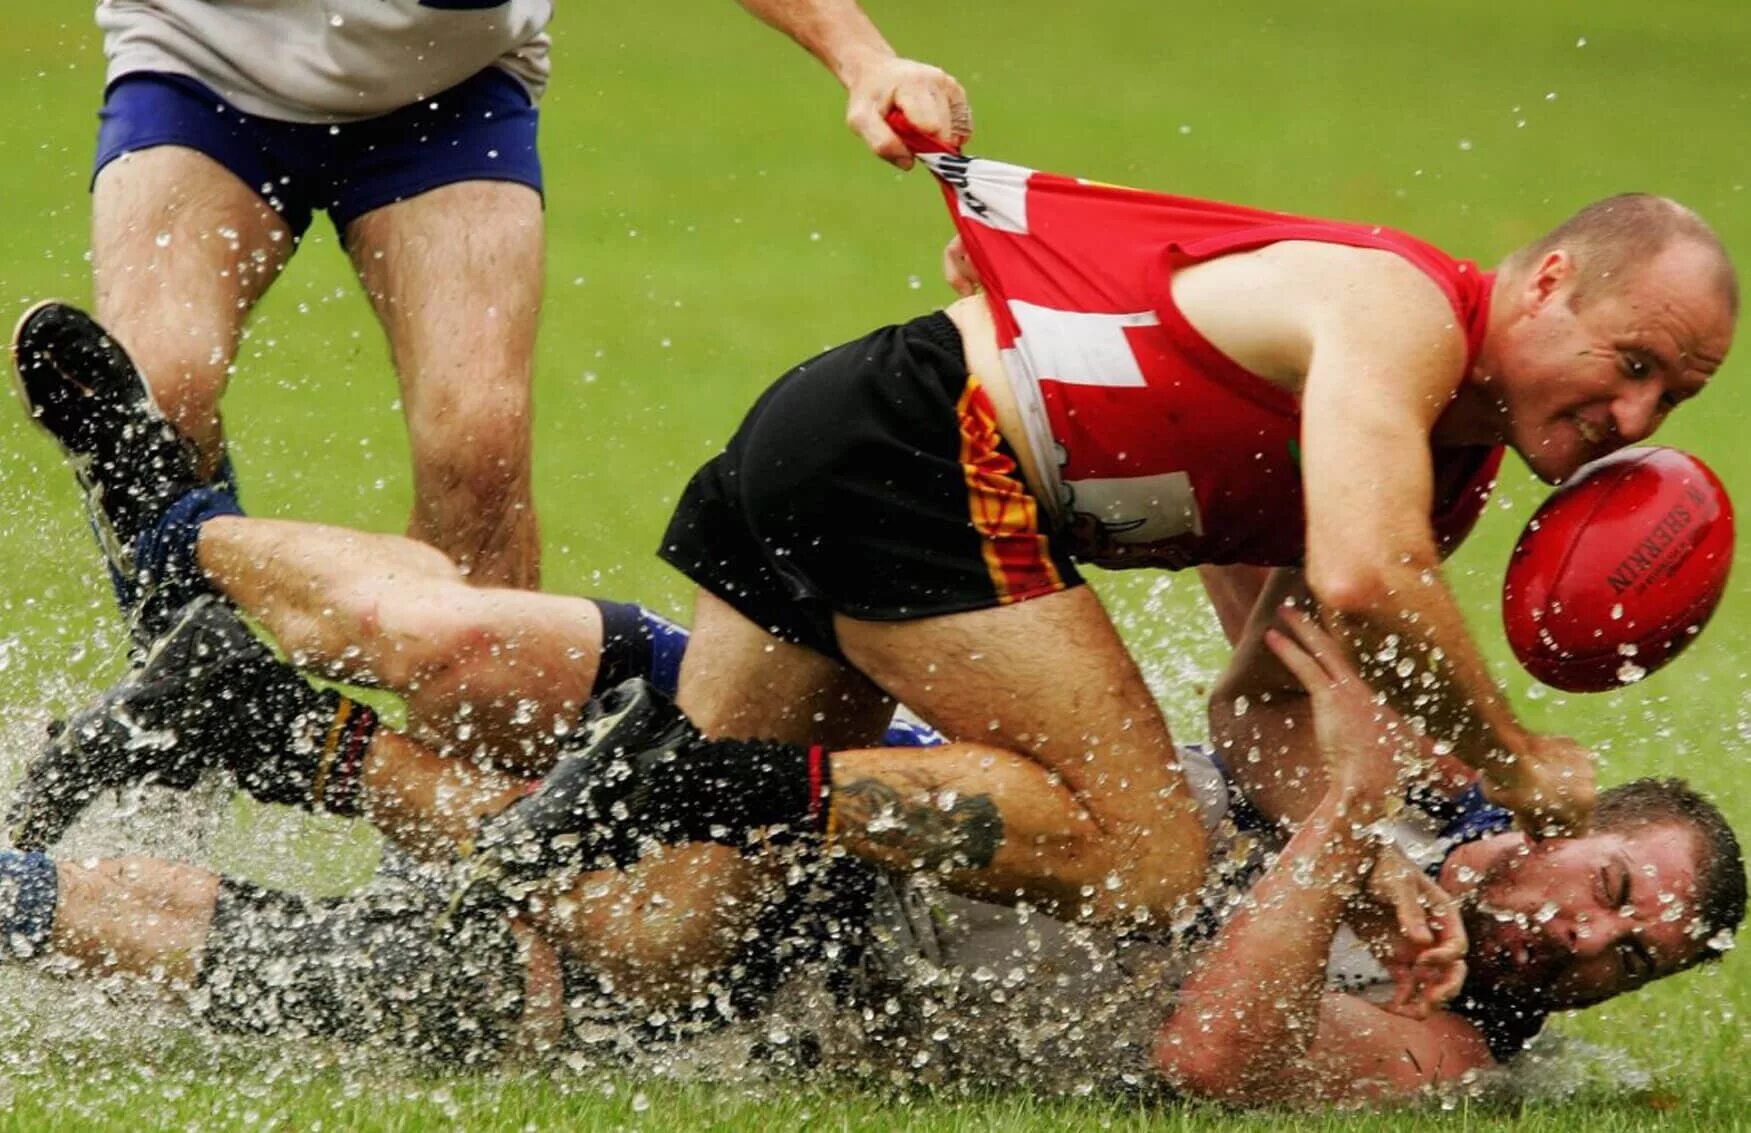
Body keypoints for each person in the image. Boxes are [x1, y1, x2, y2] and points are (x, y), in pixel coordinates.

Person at [0, 600, 1739, 1102]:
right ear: (1557, 831)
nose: (1595, 938)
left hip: (819, 970)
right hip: (909, 780)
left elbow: (1213, 1046)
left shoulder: (1444, 1058)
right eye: (1609, 890)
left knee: (483, 948)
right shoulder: (1424, 822)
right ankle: (199, 580)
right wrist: (1358, 809)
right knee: (519, 661)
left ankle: (226, 729)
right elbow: (1273, 677)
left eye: (1635, 951)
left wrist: (1345, 826)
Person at [74, 0, 972, 593]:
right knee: (153, 395)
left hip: (449, 88)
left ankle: (484, 803)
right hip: (194, 65)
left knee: (478, 443)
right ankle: (193, 685)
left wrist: (866, 61)